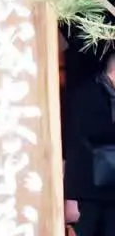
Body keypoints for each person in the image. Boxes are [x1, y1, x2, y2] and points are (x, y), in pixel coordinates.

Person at [66, 51, 115, 236]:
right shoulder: (88, 92)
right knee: (90, 227)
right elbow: (93, 129)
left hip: (111, 181)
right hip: (90, 179)